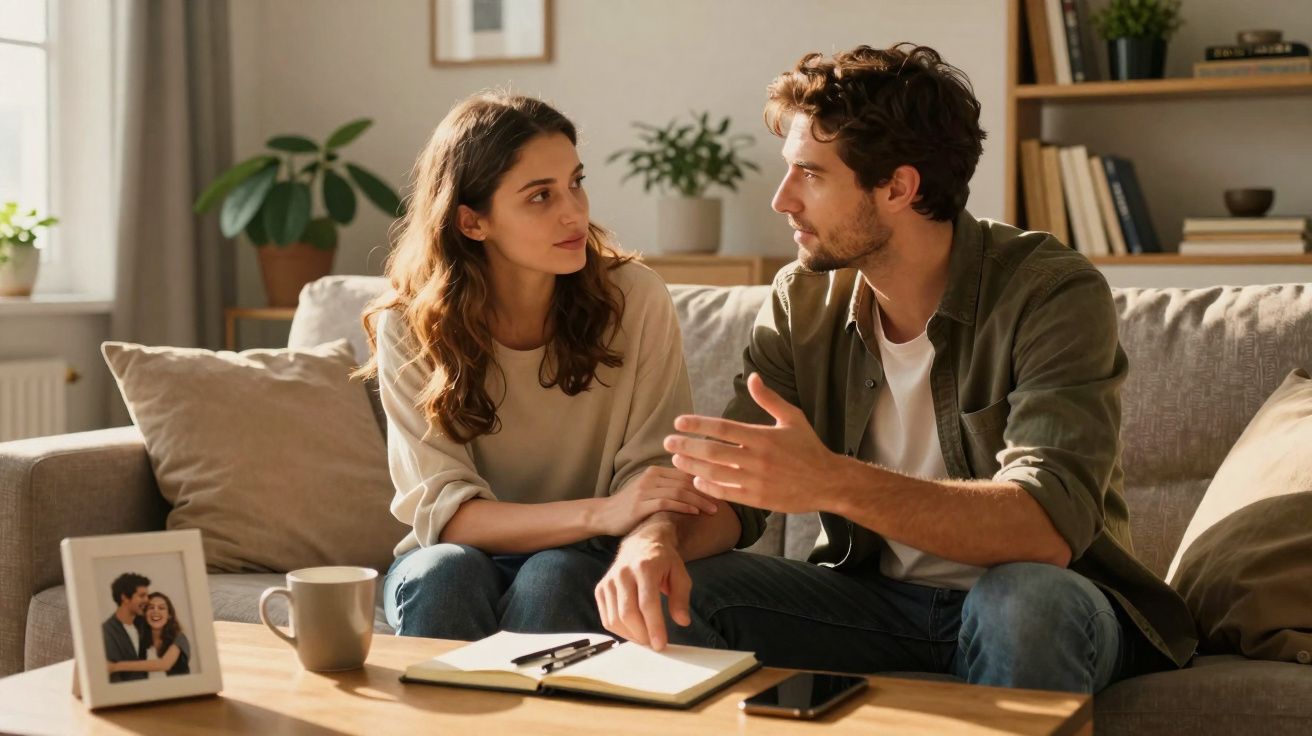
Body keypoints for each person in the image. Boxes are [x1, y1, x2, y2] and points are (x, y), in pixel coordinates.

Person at [592, 44, 1197, 694]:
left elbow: (1043, 529)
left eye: (810, 174)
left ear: (898, 187)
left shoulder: (1050, 293)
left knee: (1022, 603)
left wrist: (831, 482)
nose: (781, 200)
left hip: (1049, 599)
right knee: (679, 590)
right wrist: (653, 541)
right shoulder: (802, 299)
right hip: (875, 604)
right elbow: (728, 487)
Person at [354, 92, 711, 641]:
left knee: (554, 572)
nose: (574, 212)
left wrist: (612, 520)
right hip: (456, 558)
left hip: (582, 557)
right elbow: (449, 517)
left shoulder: (634, 298)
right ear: (473, 222)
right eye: (540, 196)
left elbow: (652, 475)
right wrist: (603, 511)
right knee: (446, 571)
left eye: (576, 182)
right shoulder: (408, 324)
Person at [107, 592, 191, 678]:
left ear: (169, 615)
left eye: (161, 608)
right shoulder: (140, 640)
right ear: (145, 614)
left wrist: (115, 666)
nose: (155, 611)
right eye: (151, 607)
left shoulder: (179, 637)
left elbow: (164, 664)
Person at [102, 572, 150, 683]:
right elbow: (113, 677)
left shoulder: (142, 625)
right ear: (125, 598)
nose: (147, 600)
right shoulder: (107, 632)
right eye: (142, 595)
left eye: (147, 596)